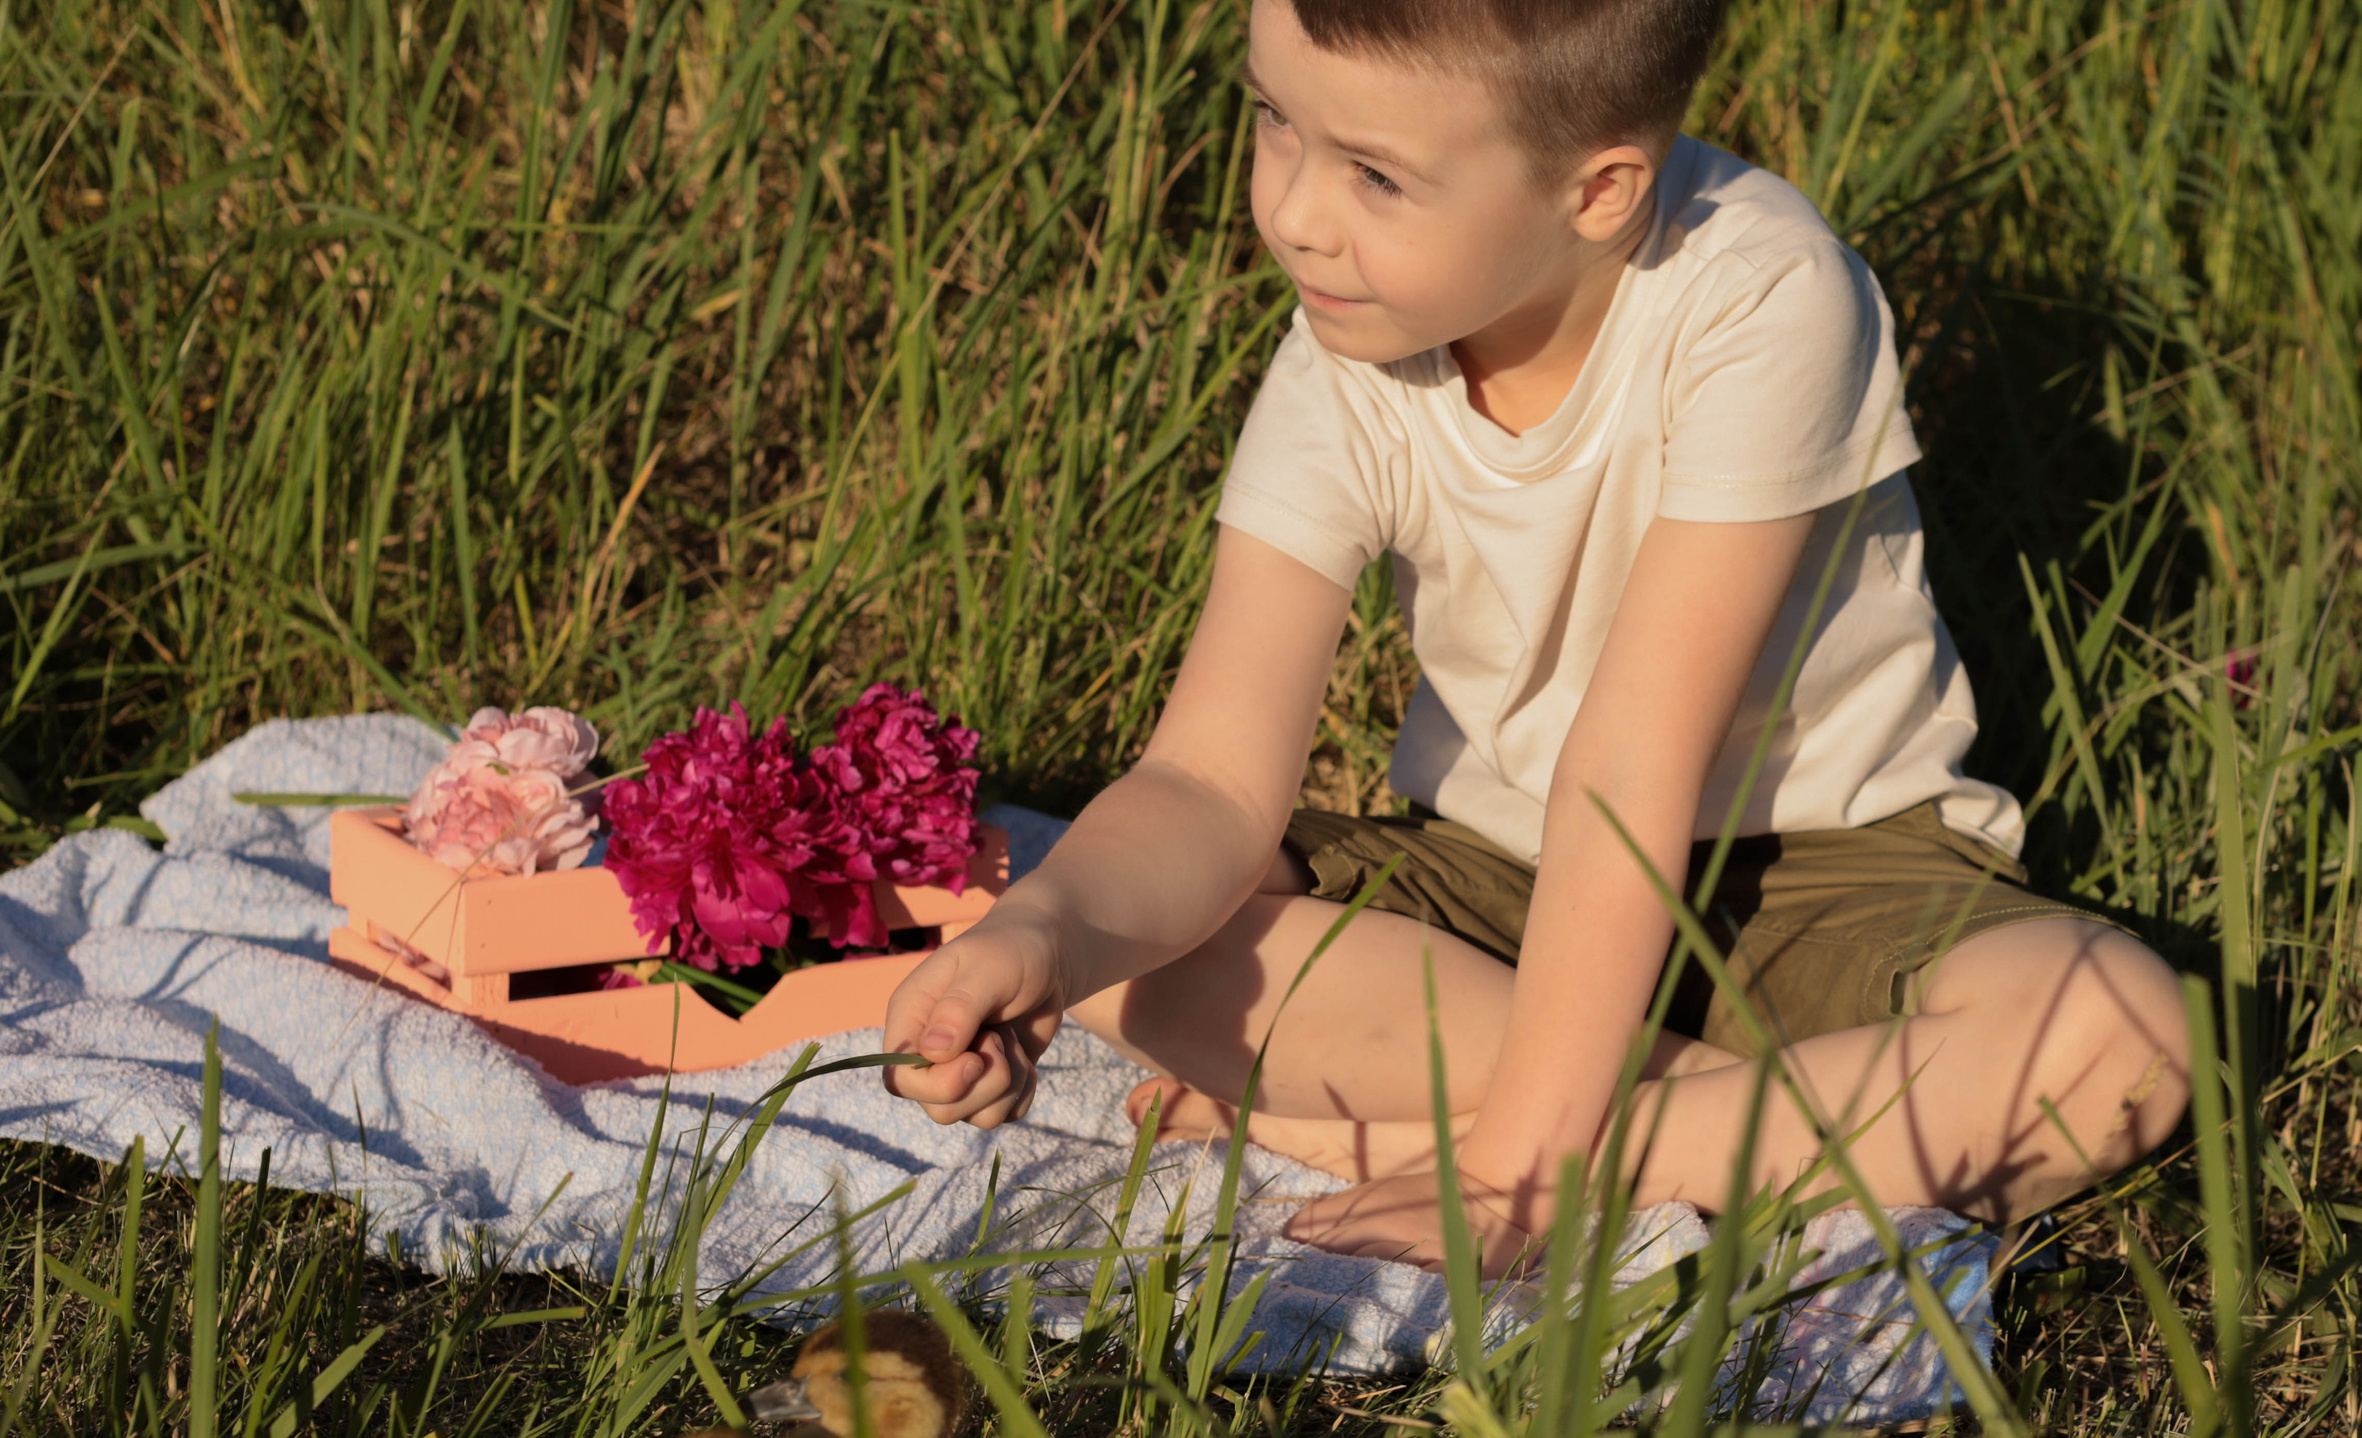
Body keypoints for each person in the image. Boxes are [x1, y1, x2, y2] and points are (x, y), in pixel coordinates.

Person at [880, 0, 2192, 1275]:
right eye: (1273, 119)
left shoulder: (1759, 289)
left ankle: (1512, 1134)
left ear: (1599, 189)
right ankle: (1774, 1120)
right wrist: (1051, 932)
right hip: (1498, 868)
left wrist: (1520, 1168)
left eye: (1376, 177)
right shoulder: (1345, 358)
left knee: (2120, 1039)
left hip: (1817, 860)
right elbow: (1210, 779)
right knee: (1140, 956)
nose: (1293, 213)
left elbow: (1631, 764)